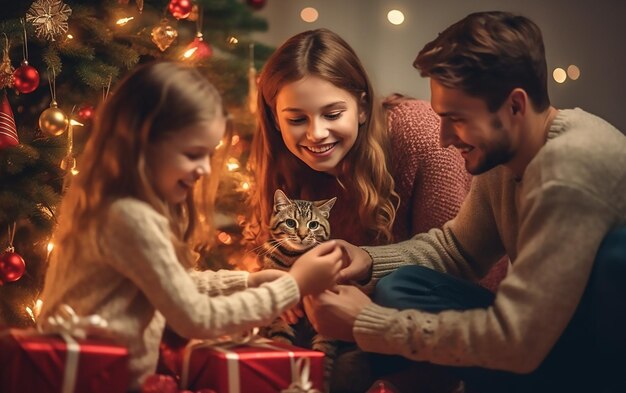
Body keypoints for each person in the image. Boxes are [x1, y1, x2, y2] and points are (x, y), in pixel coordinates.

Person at [304, 11, 626, 393]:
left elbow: (518, 338)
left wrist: (367, 323)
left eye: (455, 119)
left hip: (580, 357)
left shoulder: (571, 167)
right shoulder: (505, 155)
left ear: (515, 106)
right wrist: (367, 260)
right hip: (543, 334)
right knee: (404, 286)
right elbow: (458, 249)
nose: (443, 138)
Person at [37, 62, 344, 391]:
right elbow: (198, 318)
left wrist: (247, 281)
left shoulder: (120, 208)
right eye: (193, 154)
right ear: (144, 143)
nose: (203, 170)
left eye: (207, 155)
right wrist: (294, 286)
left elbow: (176, 283)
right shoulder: (129, 217)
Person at [247, 28, 471, 249]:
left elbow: (451, 261)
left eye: (333, 115)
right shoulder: (282, 166)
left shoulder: (420, 132)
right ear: (275, 120)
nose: (316, 134)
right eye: (296, 119)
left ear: (362, 107)